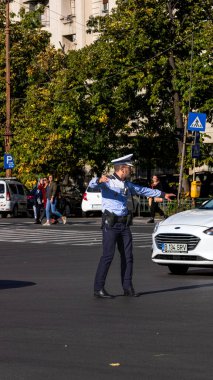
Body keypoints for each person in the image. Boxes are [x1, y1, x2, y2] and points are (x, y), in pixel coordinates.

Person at [89, 154, 176, 299]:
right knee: (107, 256)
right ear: (123, 169)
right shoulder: (108, 181)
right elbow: (92, 185)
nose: (131, 170)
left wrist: (162, 193)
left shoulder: (127, 184)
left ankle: (127, 287)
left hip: (124, 225)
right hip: (110, 224)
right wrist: (98, 179)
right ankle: (98, 288)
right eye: (130, 168)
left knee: (128, 257)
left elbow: (143, 190)